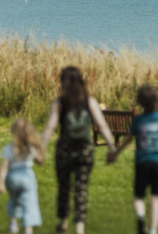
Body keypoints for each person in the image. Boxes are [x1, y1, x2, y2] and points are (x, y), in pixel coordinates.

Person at [40, 66, 116, 234]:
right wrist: (112, 147)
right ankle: (79, 228)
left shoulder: (59, 103)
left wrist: (41, 149)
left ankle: (63, 221)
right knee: (81, 190)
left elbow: (50, 127)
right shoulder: (90, 101)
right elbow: (102, 125)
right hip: (85, 151)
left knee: (64, 187)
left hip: (64, 151)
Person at [107, 84, 158, 234]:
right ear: (157, 101)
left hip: (142, 162)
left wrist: (115, 153)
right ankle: (153, 230)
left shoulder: (138, 120)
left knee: (139, 196)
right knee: (155, 197)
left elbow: (127, 140)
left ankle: (140, 216)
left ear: (139, 102)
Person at [0, 118, 44, 234]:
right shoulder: (30, 148)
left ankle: (13, 224)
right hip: (27, 176)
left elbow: (4, 166)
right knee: (30, 202)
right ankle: (28, 229)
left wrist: (1, 182)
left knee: (13, 200)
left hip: (12, 177)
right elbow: (40, 161)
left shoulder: (8, 149)